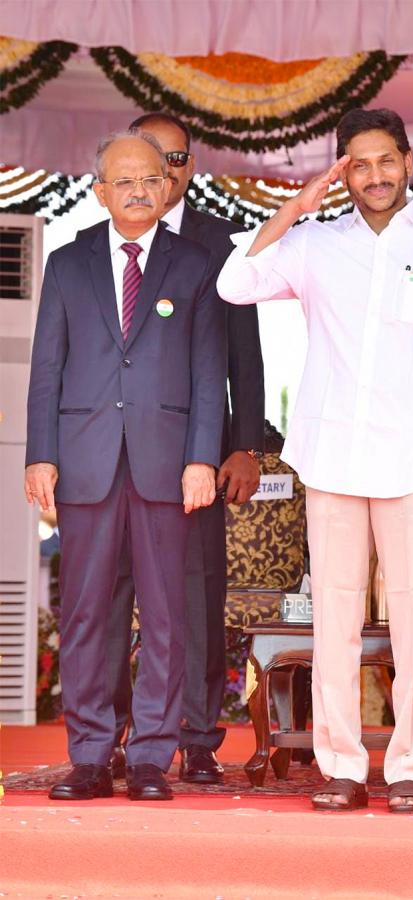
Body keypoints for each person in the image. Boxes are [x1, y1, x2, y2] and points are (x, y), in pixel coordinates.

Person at [217, 108, 413, 813]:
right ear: (341, 170)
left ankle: (409, 767)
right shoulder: (314, 245)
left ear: (408, 162)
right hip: (333, 458)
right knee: (334, 622)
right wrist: (293, 208)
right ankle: (340, 765)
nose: (374, 175)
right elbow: (234, 283)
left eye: (386, 160)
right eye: (358, 164)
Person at [25, 129, 227, 801]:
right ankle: (88, 754)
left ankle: (148, 757)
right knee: (86, 613)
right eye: (126, 181)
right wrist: (40, 456)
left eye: (152, 179)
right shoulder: (67, 263)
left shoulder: (195, 265)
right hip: (83, 464)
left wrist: (203, 457)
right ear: (101, 191)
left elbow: (208, 374)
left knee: (165, 614)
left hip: (168, 468)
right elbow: (46, 370)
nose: (141, 189)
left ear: (169, 186)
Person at [105, 112, 265, 786]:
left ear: (189, 167)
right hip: (112, 456)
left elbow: (244, 359)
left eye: (176, 160)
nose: (163, 173)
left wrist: (245, 446)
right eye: (151, 158)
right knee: (113, 595)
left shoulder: (218, 242)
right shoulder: (97, 245)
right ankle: (113, 732)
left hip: (198, 452)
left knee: (195, 596)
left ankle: (197, 736)